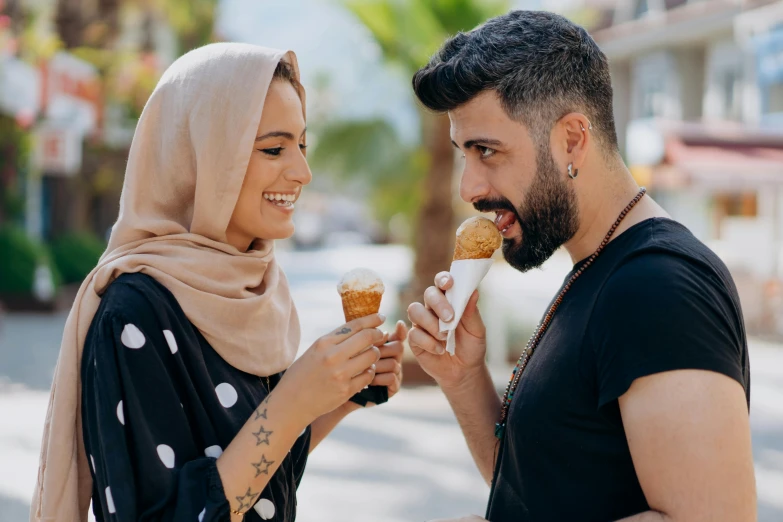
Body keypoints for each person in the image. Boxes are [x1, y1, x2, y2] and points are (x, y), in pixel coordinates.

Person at [31, 43, 406, 522]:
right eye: (274, 148)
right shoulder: (134, 311)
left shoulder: (252, 289)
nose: (302, 172)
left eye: (302, 145)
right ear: (202, 157)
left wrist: (340, 395)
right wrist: (293, 400)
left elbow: (259, 473)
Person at [407, 11, 755, 522]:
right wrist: (463, 379)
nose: (469, 188)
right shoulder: (600, 267)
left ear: (572, 139)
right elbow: (543, 493)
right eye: (465, 153)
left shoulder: (657, 287)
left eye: (487, 151)